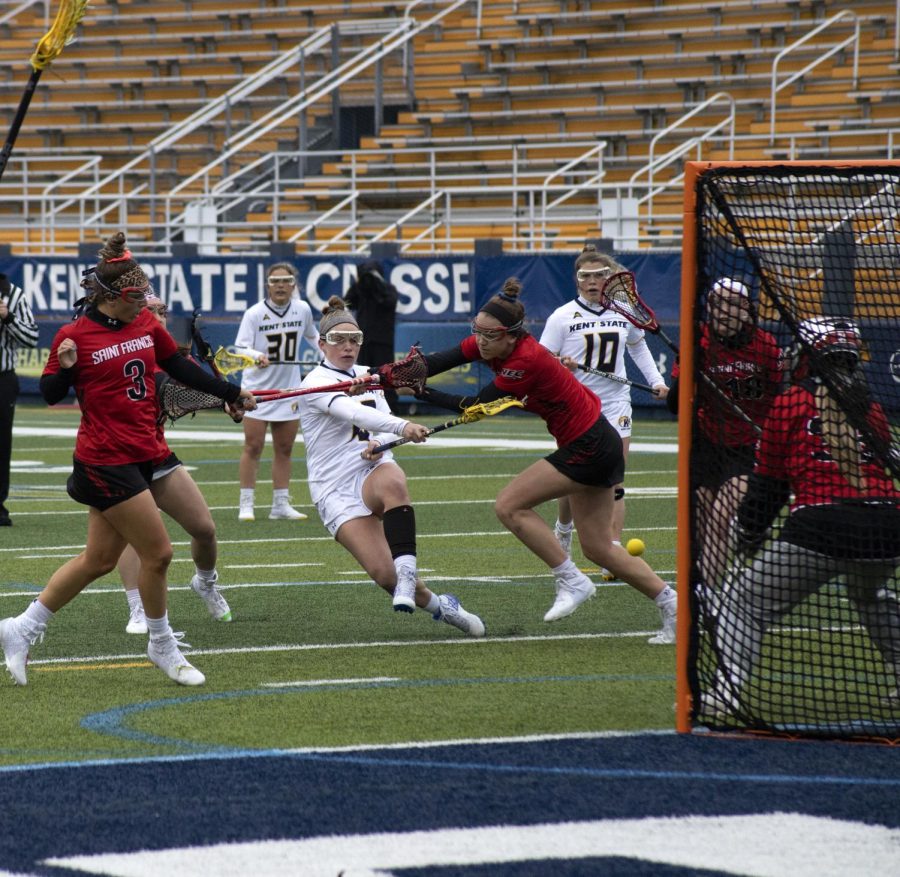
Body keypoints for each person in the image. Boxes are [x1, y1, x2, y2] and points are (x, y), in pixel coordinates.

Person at [0, 232, 256, 687]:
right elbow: (52, 393)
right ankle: (161, 645)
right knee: (158, 553)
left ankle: (20, 628)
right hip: (106, 459)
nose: (148, 304)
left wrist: (231, 393)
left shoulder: (144, 325)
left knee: (101, 558)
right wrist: (67, 364)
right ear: (114, 297)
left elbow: (178, 368)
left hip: (149, 450)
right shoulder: (74, 334)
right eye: (139, 297)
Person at [414, 278, 676, 641]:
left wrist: (419, 391)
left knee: (509, 505)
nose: (481, 341)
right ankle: (674, 606)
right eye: (478, 333)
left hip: (590, 445)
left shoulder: (525, 359)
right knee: (599, 547)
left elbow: (475, 407)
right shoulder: (495, 343)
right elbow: (437, 360)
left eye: (490, 336)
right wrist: (380, 375)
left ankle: (571, 580)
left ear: (512, 336)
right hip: (598, 440)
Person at [704, 317, 900, 717]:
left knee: (741, 602)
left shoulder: (791, 401)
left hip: (822, 527)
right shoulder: (874, 408)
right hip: (888, 527)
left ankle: (726, 690)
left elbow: (769, 486)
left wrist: (746, 532)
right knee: (870, 595)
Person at [295, 296, 485, 636]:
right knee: (385, 576)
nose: (348, 346)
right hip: (334, 487)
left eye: (355, 339)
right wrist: (402, 427)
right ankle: (443, 606)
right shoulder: (313, 384)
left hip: (372, 470)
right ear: (322, 344)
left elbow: (379, 421)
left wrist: (380, 442)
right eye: (339, 339)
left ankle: (408, 574)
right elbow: (352, 412)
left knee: (392, 479)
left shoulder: (370, 376)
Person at [539, 246, 668, 573]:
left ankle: (612, 551)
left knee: (614, 478)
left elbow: (638, 346)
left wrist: (656, 380)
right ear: (577, 280)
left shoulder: (623, 312)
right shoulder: (562, 316)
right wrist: (560, 364)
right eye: (586, 276)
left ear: (610, 278)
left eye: (600, 275)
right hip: (575, 407)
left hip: (615, 403)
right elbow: (540, 361)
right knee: (572, 477)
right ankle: (564, 529)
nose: (593, 281)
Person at [118, 293, 232, 634]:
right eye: (149, 310)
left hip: (156, 454)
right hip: (119, 459)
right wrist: (226, 396)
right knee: (129, 540)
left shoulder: (170, 354)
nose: (159, 317)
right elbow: (173, 393)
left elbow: (200, 387)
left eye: (162, 311)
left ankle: (206, 582)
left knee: (204, 529)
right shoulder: (123, 351)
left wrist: (229, 402)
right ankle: (137, 608)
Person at [666, 277, 783, 587]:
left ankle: (702, 591)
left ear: (746, 310)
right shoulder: (698, 341)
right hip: (707, 443)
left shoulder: (766, 346)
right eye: (717, 304)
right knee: (701, 515)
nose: (724, 311)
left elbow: (784, 396)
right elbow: (674, 405)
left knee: (721, 516)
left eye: (732, 304)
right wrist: (690, 366)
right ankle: (700, 582)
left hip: (748, 447)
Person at [235, 261, 318, 522]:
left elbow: (313, 337)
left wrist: (329, 356)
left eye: (285, 281)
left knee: (285, 447)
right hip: (258, 389)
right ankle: (246, 503)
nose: (280, 285)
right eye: (274, 281)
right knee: (254, 446)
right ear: (267, 285)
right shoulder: (255, 313)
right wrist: (256, 355)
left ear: (294, 284)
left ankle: (280, 504)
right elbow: (240, 347)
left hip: (289, 389)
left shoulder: (302, 309)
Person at [0, 273, 39, 527]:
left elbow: (31, 339)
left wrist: (8, 317)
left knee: (1, 444)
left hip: (2, 378)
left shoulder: (13, 295)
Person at [344, 259, 399, 413]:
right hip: (363, 340)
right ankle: (365, 403)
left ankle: (390, 407)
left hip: (383, 340)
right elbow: (348, 301)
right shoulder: (360, 290)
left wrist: (377, 283)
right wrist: (360, 283)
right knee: (363, 373)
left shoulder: (387, 289)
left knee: (385, 374)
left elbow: (390, 301)